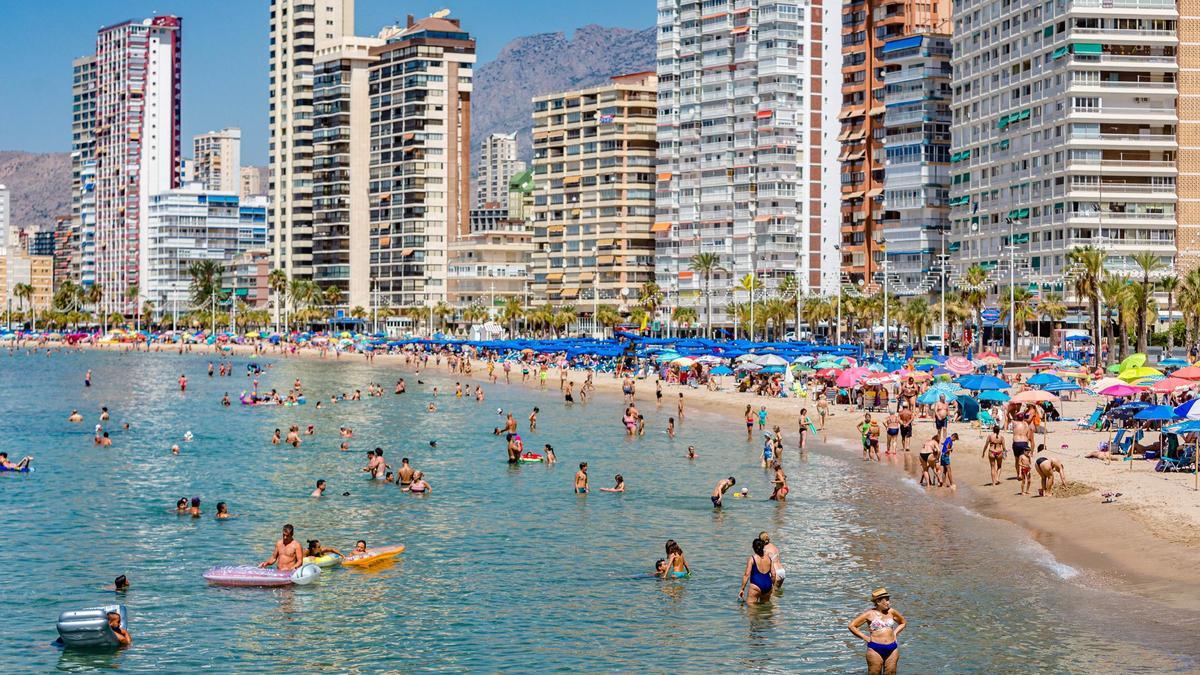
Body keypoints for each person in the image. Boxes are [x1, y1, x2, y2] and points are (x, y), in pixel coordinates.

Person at [848, 588, 906, 675]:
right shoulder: (869, 614)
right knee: (874, 673)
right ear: (878, 602)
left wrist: (895, 633)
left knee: (891, 673)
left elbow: (903, 623)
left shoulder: (892, 612)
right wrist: (865, 637)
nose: (888, 602)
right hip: (875, 649)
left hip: (892, 648)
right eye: (885, 600)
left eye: (888, 600)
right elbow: (852, 626)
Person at [738, 537, 777, 604]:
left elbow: (747, 575)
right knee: (765, 609)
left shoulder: (752, 559)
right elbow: (773, 574)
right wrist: (772, 586)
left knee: (751, 610)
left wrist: (742, 589)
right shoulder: (769, 558)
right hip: (768, 586)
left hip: (755, 586)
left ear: (753, 548)